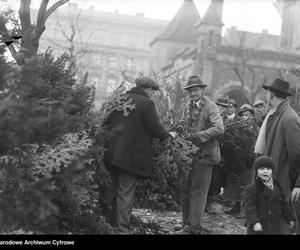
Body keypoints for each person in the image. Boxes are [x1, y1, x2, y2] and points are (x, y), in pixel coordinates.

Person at [96, 76, 171, 234]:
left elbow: (105, 122)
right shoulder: (146, 103)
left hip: (111, 153)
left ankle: (106, 225)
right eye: (152, 91)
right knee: (125, 192)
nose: (153, 95)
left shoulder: (120, 99)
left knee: (110, 190)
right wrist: (169, 135)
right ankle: (122, 229)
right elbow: (155, 128)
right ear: (149, 89)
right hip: (130, 157)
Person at [176, 75, 224, 234]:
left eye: (196, 90)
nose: (193, 93)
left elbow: (219, 128)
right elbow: (184, 124)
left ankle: (194, 227)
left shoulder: (211, 106)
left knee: (198, 191)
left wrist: (200, 135)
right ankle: (186, 223)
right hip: (188, 153)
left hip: (205, 155)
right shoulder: (187, 106)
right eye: (190, 91)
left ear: (202, 90)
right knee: (185, 189)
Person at [254, 78, 300, 234]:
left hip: (281, 181)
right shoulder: (274, 114)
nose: (266, 96)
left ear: (271, 95)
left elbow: (297, 155)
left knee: (279, 224)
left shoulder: (289, 118)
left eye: (268, 94)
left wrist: (297, 184)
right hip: (271, 179)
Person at [223, 104, 258, 218]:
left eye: (247, 115)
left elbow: (255, 144)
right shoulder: (237, 127)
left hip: (249, 160)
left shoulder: (255, 128)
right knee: (236, 183)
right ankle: (236, 206)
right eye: (243, 115)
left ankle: (245, 209)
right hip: (238, 160)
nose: (245, 117)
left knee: (246, 184)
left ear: (252, 116)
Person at [245, 156, 295, 234]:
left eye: (268, 169)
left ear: (272, 171)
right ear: (256, 171)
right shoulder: (252, 188)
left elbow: (283, 203)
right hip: (258, 227)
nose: (265, 171)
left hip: (274, 227)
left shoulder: (277, 186)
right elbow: (249, 207)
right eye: (261, 169)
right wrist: (254, 222)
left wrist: (289, 218)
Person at [205, 97, 229, 214]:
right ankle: (206, 204)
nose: (222, 109)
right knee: (209, 179)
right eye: (220, 106)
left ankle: (209, 202)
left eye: (225, 107)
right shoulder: (211, 116)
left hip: (221, 155)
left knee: (216, 180)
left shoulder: (227, 120)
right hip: (210, 151)